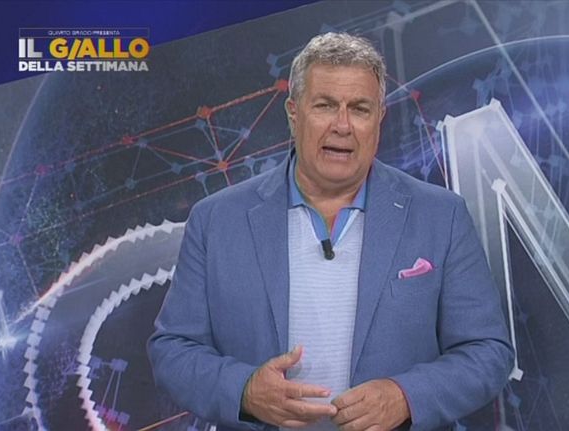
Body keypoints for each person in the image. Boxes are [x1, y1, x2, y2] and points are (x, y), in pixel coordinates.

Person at [148, 32, 513, 431]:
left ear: (379, 118)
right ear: (293, 113)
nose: (342, 126)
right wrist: (244, 391)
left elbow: (487, 351)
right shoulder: (216, 220)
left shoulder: (441, 216)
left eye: (359, 109)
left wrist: (406, 396)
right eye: (324, 106)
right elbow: (172, 350)